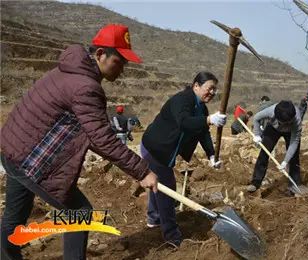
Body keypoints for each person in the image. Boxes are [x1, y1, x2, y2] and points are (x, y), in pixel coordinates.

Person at [0, 24, 158, 260]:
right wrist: (142, 171)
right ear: (100, 54)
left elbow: (92, 133)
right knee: (81, 213)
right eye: (119, 61)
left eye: (125, 63)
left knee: (14, 218)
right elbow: (101, 137)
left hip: (12, 150)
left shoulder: (68, 71)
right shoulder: (86, 87)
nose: (122, 69)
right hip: (31, 159)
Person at [140, 71, 227, 246]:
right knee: (167, 190)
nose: (212, 93)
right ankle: (172, 236)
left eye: (214, 90)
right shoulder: (182, 100)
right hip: (155, 148)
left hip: (163, 151)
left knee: (160, 186)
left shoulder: (201, 107)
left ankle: (154, 218)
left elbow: (203, 133)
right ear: (196, 86)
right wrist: (209, 119)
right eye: (209, 88)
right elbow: (184, 122)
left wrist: (211, 155)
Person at [246, 100, 305, 195]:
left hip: (290, 133)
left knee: (294, 158)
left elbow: (294, 143)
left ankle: (294, 185)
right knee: (264, 154)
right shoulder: (271, 111)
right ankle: (256, 182)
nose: (284, 125)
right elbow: (256, 118)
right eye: (282, 123)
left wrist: (285, 161)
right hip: (273, 129)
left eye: (287, 123)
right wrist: (256, 134)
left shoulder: (297, 121)